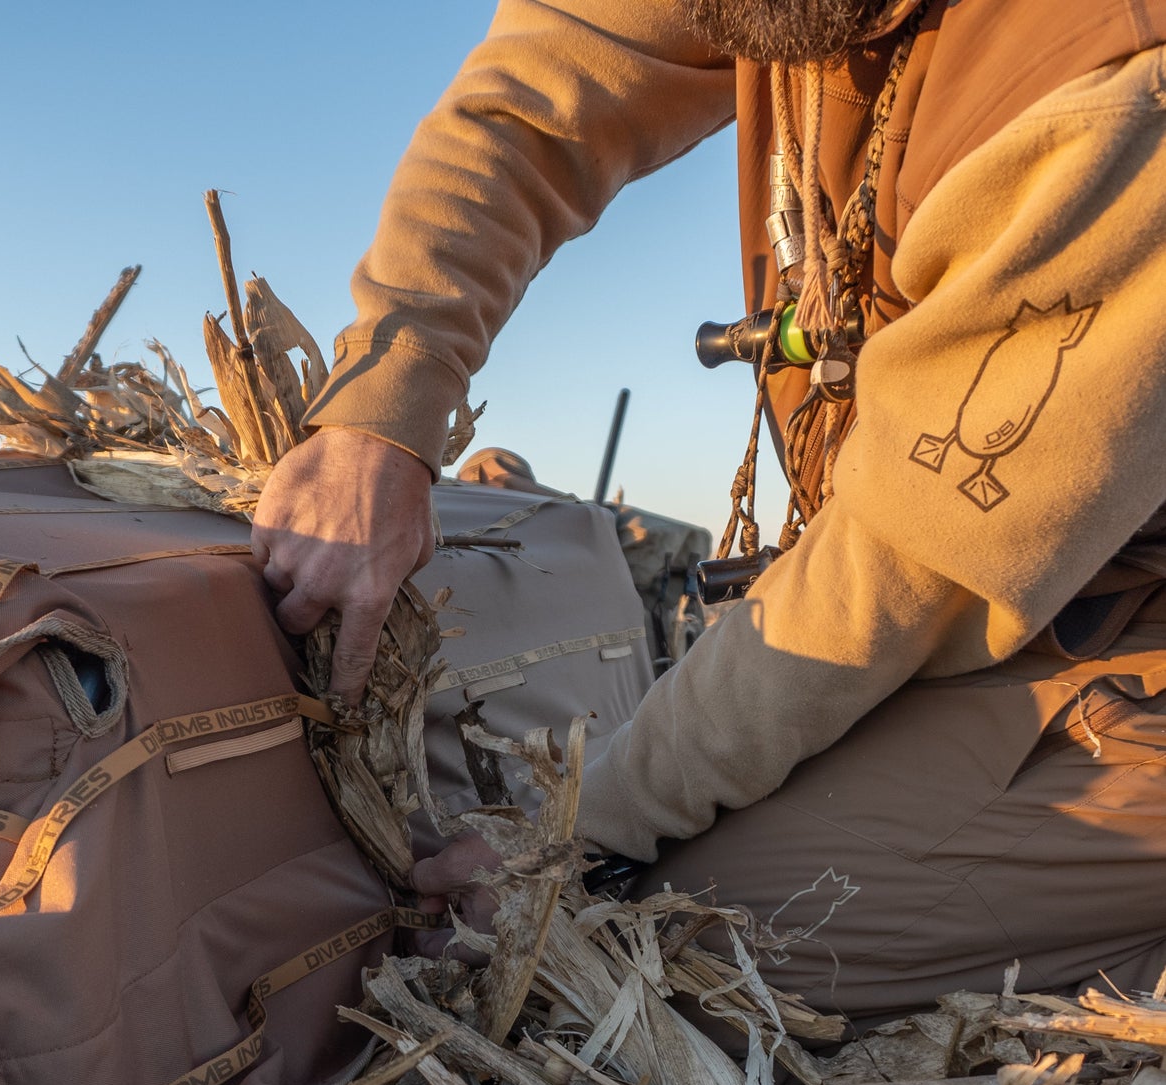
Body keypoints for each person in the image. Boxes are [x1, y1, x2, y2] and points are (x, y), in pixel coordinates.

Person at [250, 0, 1166, 1028]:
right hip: (996, 593)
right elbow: (533, 94)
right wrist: (384, 405)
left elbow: (906, 561)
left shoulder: (1114, 74)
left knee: (700, 944)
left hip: (1104, 619)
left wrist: (579, 827)